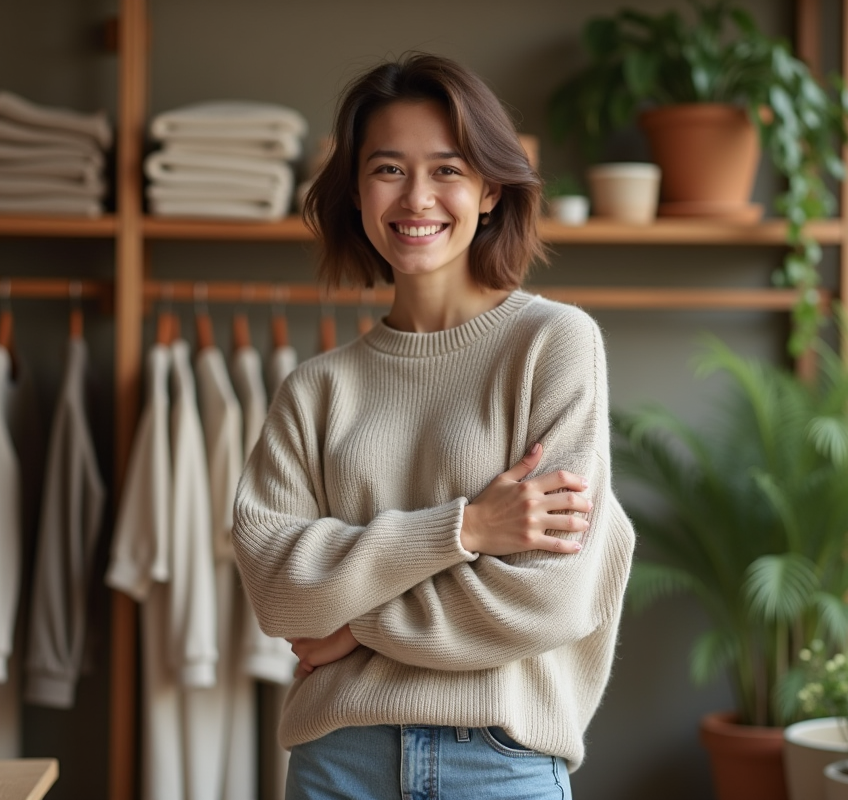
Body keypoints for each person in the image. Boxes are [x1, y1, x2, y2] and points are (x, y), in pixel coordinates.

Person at [232, 52, 635, 800]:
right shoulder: (315, 389)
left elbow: (548, 598)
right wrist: (467, 531)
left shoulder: (553, 345)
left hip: (499, 760)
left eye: (448, 169)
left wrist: (351, 625)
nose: (417, 197)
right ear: (355, 194)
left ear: (489, 191)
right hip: (336, 761)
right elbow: (279, 592)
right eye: (388, 169)